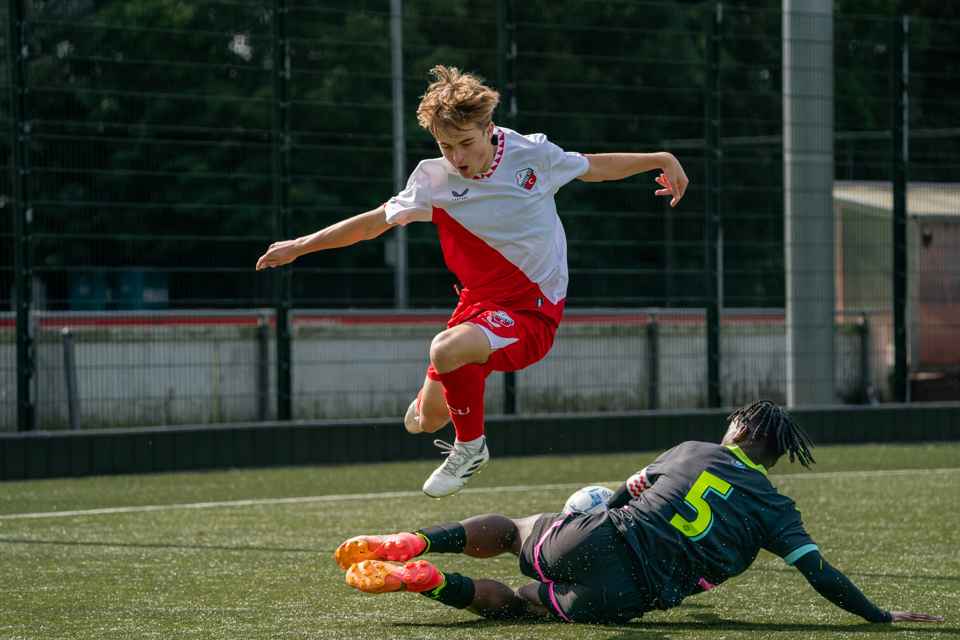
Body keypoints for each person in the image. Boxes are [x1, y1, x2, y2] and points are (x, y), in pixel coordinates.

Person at [256, 65, 689, 498]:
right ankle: (452, 396)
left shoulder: (531, 155)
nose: (458, 157)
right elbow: (371, 225)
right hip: (477, 308)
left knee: (446, 349)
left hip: (532, 312)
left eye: (466, 142)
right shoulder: (433, 181)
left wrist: (661, 159)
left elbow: (594, 167)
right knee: (428, 420)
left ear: (490, 129)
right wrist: (299, 245)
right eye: (447, 146)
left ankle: (471, 448)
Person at [333, 400, 944, 625]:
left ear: (739, 428)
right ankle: (434, 584)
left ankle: (418, 541)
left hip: (598, 535)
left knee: (519, 530)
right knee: (518, 604)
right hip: (630, 597)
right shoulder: (777, 510)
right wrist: (880, 616)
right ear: (775, 457)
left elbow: (626, 492)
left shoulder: (694, 450)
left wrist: (593, 511)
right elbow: (820, 574)